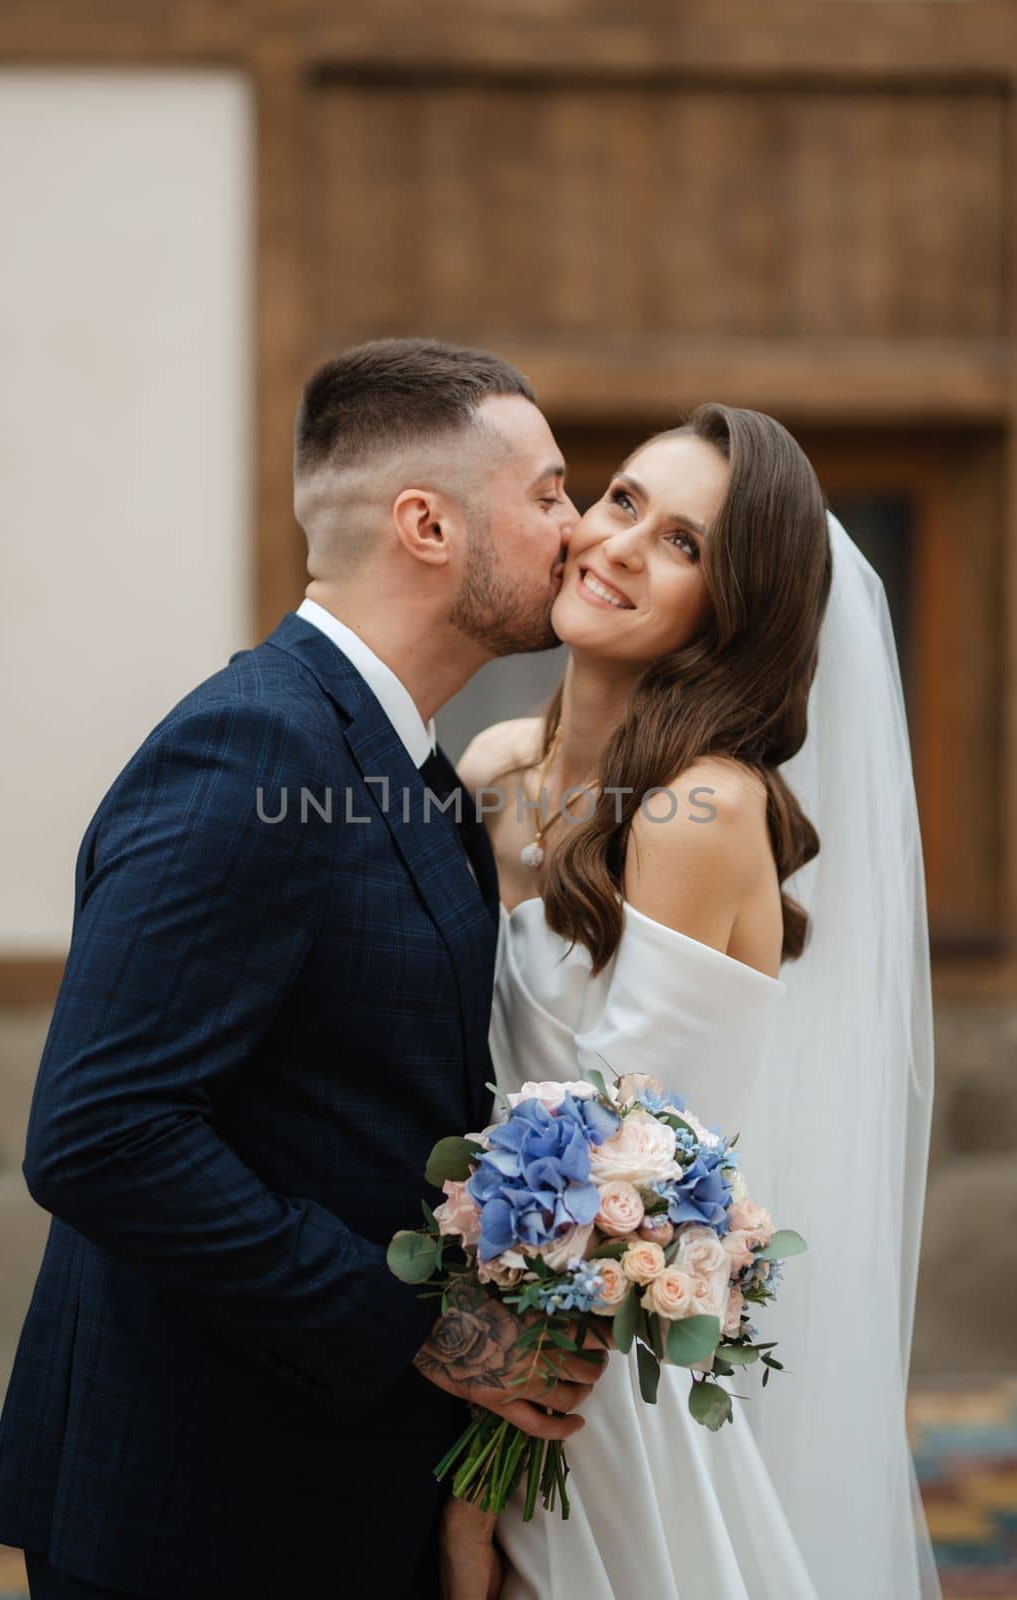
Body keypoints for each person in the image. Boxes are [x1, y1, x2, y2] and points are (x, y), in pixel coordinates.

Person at [0, 338, 609, 1600]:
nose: (578, 527)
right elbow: (100, 1133)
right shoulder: (252, 744)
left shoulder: (401, 752)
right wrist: (424, 1327)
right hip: (198, 1508)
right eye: (546, 492)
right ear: (426, 523)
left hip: (315, 1486)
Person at [451, 404, 942, 1598]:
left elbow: (621, 1161)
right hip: (477, 1327)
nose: (619, 544)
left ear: (733, 612)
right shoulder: (496, 768)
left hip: (585, 1369)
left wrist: (477, 1497)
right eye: (622, 501)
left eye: (684, 544)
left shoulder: (707, 806)